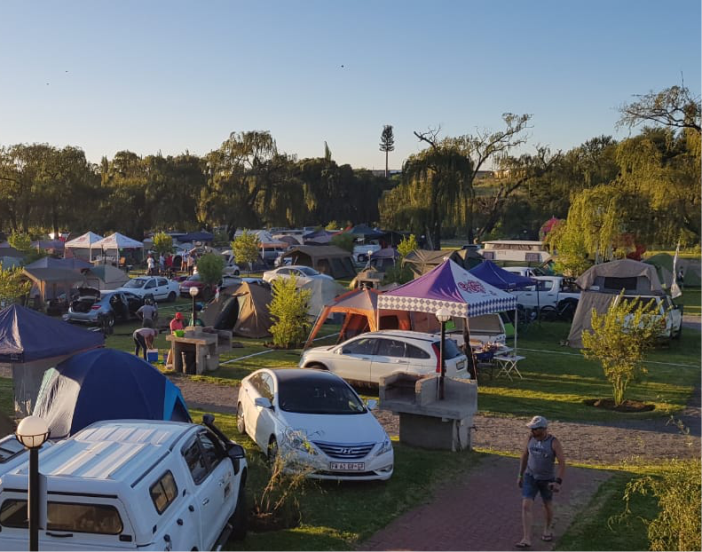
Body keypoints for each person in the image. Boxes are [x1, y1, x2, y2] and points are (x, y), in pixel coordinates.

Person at [516, 416, 566, 548]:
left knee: (547, 504)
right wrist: (520, 475)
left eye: (535, 429)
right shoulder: (530, 438)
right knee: (526, 505)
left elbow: (562, 463)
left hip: (547, 480)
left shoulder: (553, 442)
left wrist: (558, 482)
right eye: (531, 429)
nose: (532, 431)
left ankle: (547, 529)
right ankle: (526, 538)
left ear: (543, 429)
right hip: (530, 477)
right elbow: (524, 456)